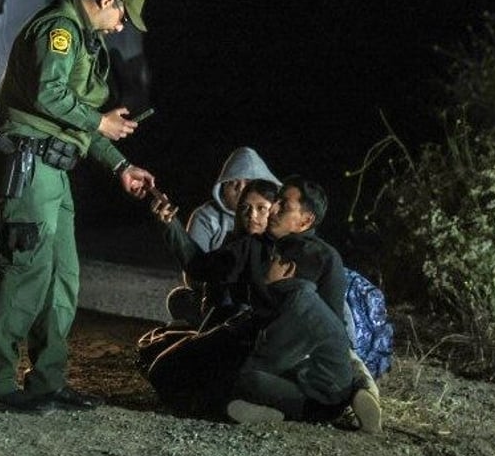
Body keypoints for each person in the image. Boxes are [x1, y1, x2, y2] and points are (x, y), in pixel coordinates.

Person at [0, 0, 155, 413]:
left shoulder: (83, 40)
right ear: (109, 1)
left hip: (52, 167)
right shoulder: (59, 30)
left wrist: (121, 166)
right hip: (28, 163)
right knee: (25, 273)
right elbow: (48, 94)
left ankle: (47, 382)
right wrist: (100, 121)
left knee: (62, 278)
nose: (122, 27)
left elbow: (74, 118)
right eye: (124, 17)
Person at [146, 176, 382, 432]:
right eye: (277, 201)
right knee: (163, 369)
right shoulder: (253, 245)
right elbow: (201, 268)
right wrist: (172, 226)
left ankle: (332, 398)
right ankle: (264, 405)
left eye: (284, 205)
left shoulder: (324, 259)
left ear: (306, 220)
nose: (273, 209)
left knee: (236, 378)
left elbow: (327, 324)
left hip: (290, 355)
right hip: (252, 338)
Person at [225, 235, 359, 426]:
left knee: (246, 378)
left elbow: (270, 359)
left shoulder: (300, 306)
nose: (266, 265)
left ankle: (279, 413)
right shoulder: (299, 297)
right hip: (315, 387)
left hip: (321, 401)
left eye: (273, 260)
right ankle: (263, 410)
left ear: (288, 269)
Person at [166, 178, 280, 328]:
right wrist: (171, 223)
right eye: (245, 207)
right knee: (180, 298)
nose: (252, 215)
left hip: (257, 323)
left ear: (275, 212)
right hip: (228, 315)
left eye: (261, 208)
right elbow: (199, 267)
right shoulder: (238, 242)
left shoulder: (281, 247)